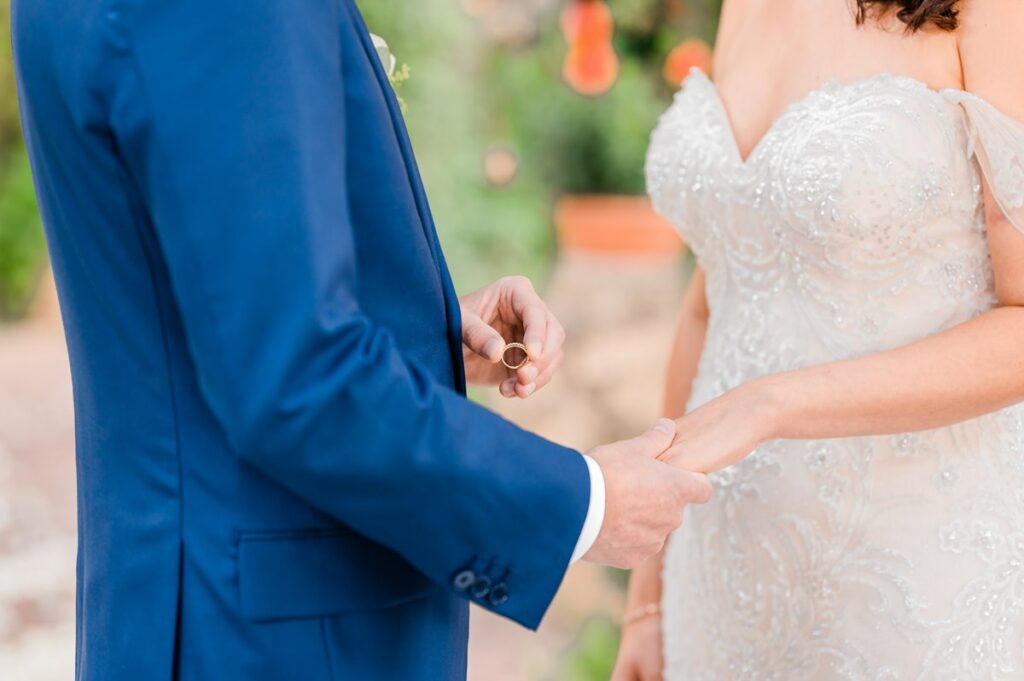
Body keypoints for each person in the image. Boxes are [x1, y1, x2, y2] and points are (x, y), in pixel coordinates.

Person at [10, 1, 713, 679]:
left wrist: (419, 338)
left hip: (187, 604)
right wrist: (584, 504)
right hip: (273, 638)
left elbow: (209, 312)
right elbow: (297, 378)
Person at [613, 0, 1024, 678]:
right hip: (718, 579)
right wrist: (648, 598)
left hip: (914, 582)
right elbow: (712, 300)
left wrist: (770, 405)